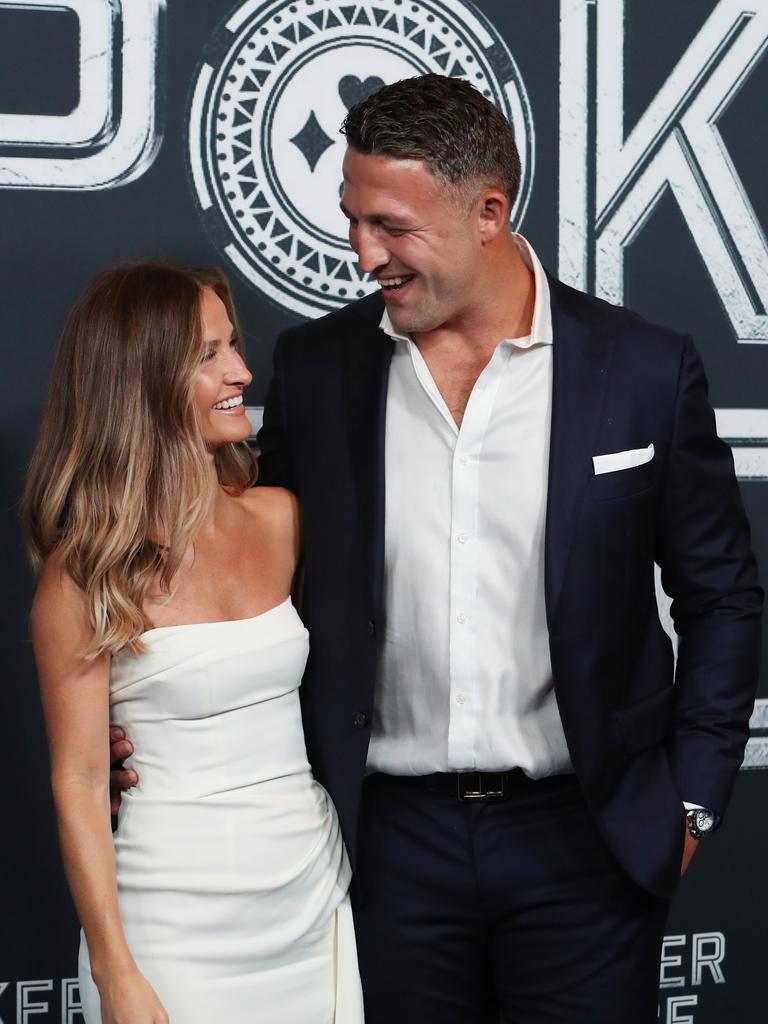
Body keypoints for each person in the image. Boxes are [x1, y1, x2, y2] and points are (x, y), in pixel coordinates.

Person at [111, 75, 763, 1022]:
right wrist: (142, 710)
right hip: (383, 845)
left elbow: (722, 596)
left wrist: (693, 802)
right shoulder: (318, 367)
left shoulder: (645, 368)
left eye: (390, 225)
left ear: (488, 212)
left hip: (584, 839)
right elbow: (242, 573)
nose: (363, 252)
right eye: (352, 219)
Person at [24, 262, 363, 1024]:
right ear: (140, 379)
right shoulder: (86, 575)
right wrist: (115, 971)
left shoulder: (284, 518)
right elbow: (78, 783)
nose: (241, 370)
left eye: (233, 346)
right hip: (168, 923)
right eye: (208, 355)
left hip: (310, 896)